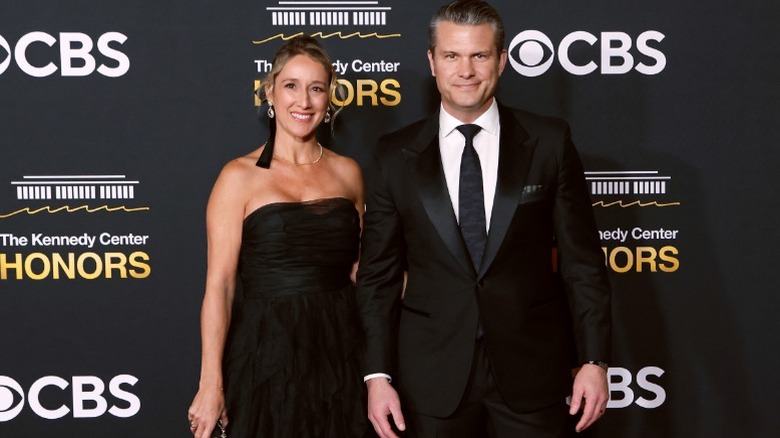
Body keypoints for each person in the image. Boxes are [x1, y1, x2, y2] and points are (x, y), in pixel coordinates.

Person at [356, 1, 612, 437]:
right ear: (432, 62)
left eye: (480, 55)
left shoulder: (548, 142)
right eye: (452, 56)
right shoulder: (393, 155)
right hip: (430, 376)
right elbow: (378, 276)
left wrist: (593, 360)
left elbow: (582, 263)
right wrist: (377, 376)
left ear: (502, 60)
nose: (466, 70)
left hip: (532, 370)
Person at [187, 35, 368, 438]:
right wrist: (210, 383)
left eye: (316, 88)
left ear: (328, 97)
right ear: (270, 91)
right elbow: (220, 285)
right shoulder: (238, 177)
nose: (303, 101)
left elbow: (364, 272)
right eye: (291, 85)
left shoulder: (348, 173)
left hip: (342, 350)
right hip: (267, 354)